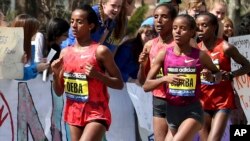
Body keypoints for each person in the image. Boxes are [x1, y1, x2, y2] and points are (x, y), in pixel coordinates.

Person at [143, 14, 221, 141]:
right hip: (172, 112)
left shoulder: (200, 56)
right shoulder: (164, 54)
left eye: (183, 28)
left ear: (191, 32)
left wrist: (211, 77)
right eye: (174, 28)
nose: (177, 32)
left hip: (193, 111)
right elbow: (146, 86)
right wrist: (165, 79)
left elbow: (217, 74)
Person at [51, 4, 123, 141]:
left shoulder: (100, 51)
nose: (74, 25)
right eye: (72, 21)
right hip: (73, 112)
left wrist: (99, 76)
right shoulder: (65, 52)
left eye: (79, 21)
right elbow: (59, 91)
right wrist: (56, 75)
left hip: (97, 112)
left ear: (90, 26)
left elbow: (119, 83)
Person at [196, 12, 250, 141]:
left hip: (222, 102)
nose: (200, 29)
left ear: (214, 27)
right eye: (197, 26)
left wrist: (231, 75)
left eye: (204, 25)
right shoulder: (195, 50)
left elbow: (247, 65)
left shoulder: (226, 47)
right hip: (202, 102)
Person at [138, 3, 177, 141]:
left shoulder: (183, 44)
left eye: (164, 17)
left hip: (179, 100)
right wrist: (142, 66)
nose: (159, 20)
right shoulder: (149, 45)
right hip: (158, 99)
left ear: (173, 20)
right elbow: (143, 82)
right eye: (156, 17)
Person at [11, 14, 49, 80]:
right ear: (27, 32)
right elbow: (17, 74)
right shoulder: (11, 49)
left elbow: (27, 67)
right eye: (34, 30)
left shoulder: (30, 47)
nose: (36, 33)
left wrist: (38, 64)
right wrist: (36, 68)